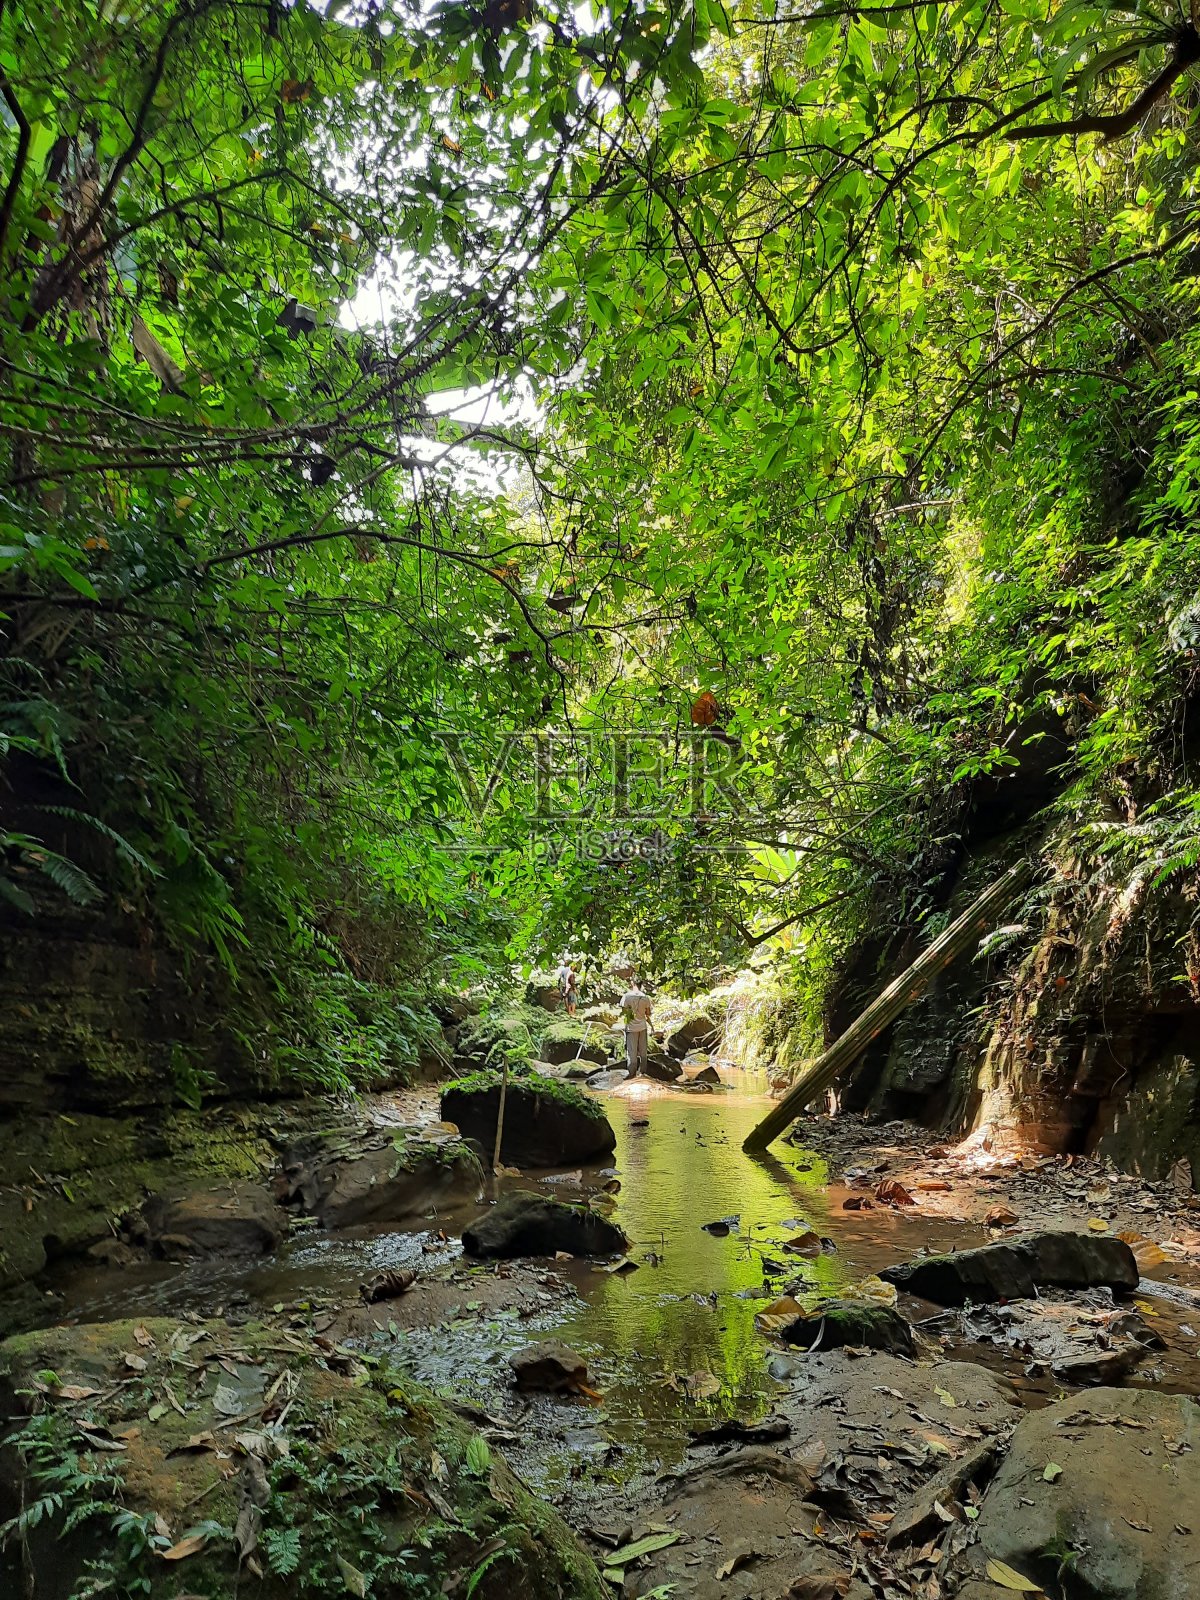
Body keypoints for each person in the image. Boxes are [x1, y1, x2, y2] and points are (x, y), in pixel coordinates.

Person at [620, 977, 653, 1076]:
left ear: (632, 983)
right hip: (642, 1027)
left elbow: (623, 1012)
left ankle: (632, 1074)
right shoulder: (645, 997)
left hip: (631, 1028)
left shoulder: (626, 996)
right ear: (641, 984)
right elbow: (648, 1013)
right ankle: (643, 1074)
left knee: (631, 1052)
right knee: (643, 1052)